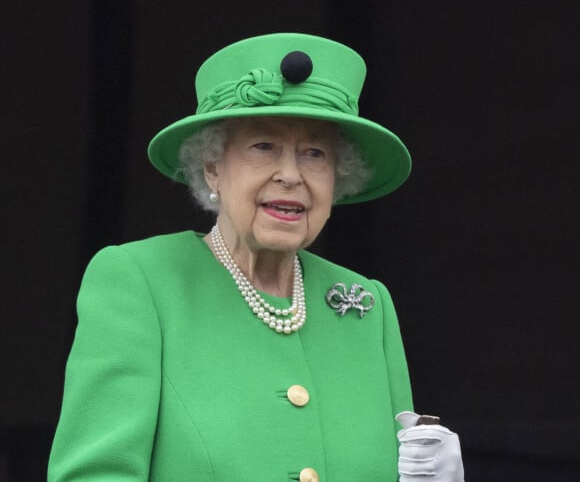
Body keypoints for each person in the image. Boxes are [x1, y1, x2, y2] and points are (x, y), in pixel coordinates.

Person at [48, 33, 464, 481]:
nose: (290, 175)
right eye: (263, 147)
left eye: (315, 153)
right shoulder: (139, 280)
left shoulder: (366, 304)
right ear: (213, 168)